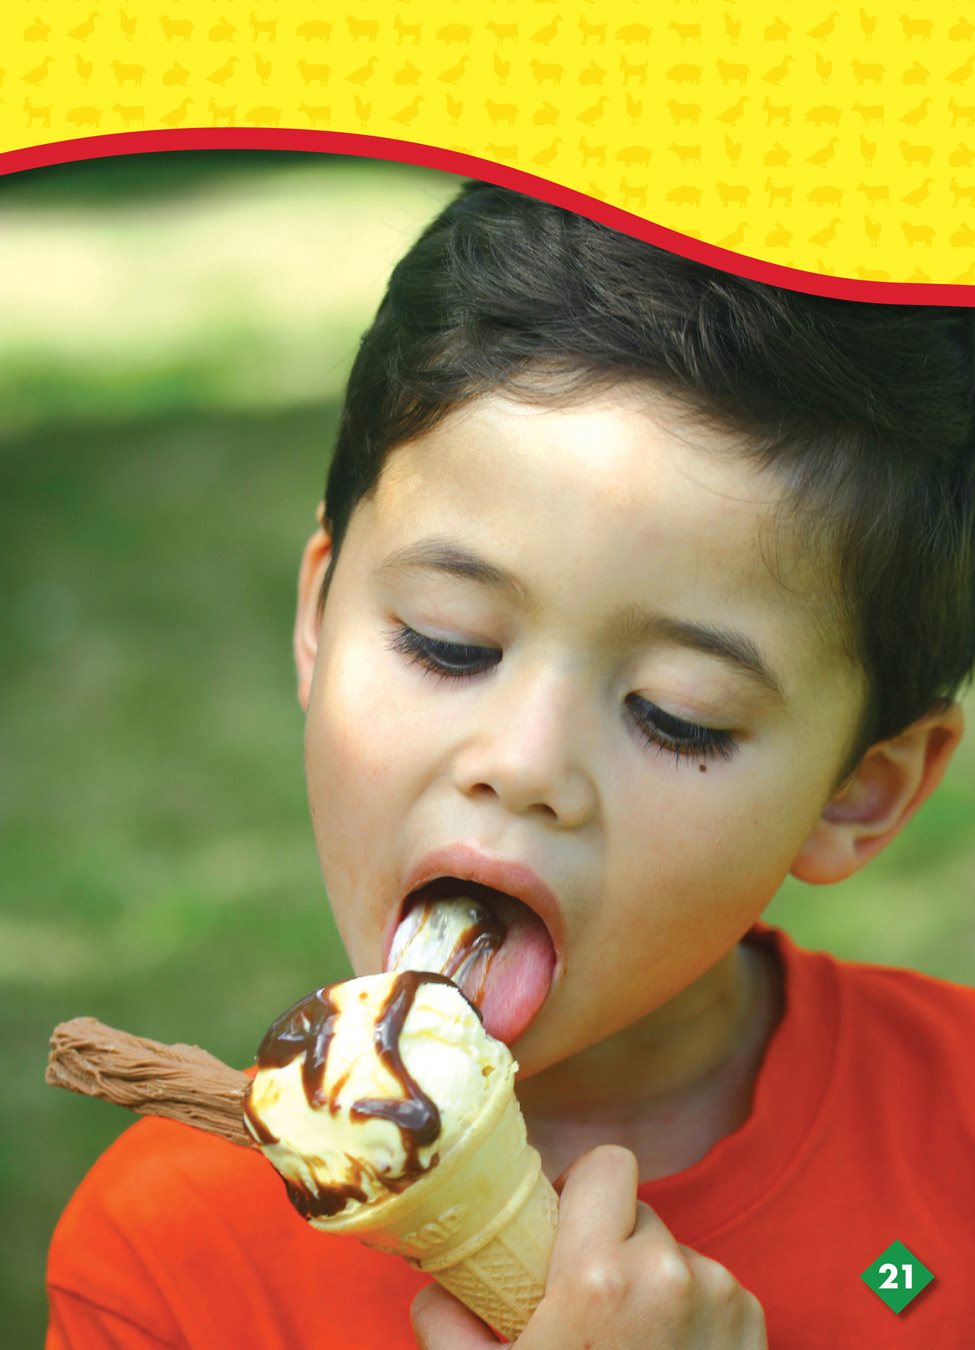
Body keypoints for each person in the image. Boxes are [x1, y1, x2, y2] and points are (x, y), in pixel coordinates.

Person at [47, 181, 975, 1348]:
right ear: (320, 617)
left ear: (860, 789)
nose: (524, 764)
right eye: (449, 642)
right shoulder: (165, 1266)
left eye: (677, 716)